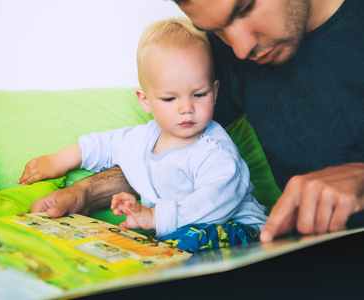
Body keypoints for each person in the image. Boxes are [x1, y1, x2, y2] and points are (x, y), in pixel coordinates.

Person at [29, 0, 364, 243]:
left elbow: (218, 177)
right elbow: (173, 154)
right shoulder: (218, 58)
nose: (241, 49)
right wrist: (83, 193)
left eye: (246, 7)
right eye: (216, 29)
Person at [19, 18, 268, 253]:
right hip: (181, 234)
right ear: (145, 101)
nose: (186, 108)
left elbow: (215, 202)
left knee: (177, 246)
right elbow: (105, 145)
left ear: (215, 92)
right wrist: (59, 160)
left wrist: (154, 217)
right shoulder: (143, 139)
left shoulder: (214, 149)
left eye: (199, 94)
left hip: (242, 231)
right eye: (170, 98)